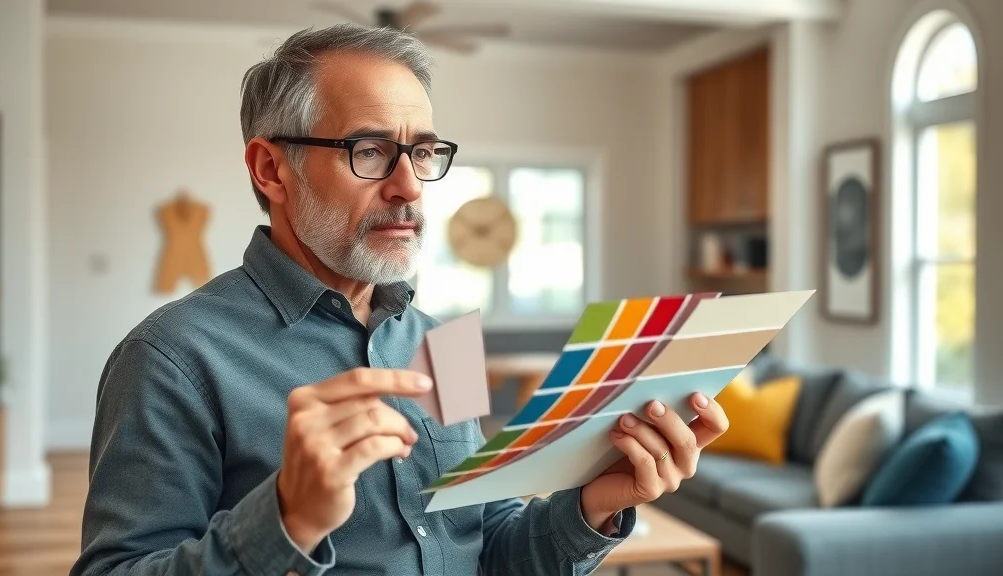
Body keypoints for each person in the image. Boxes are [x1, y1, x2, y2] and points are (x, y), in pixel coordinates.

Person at [71, 23, 729, 576]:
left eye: (422, 152)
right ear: (272, 169)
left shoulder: (446, 342)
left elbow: (486, 540)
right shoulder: (170, 358)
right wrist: (285, 522)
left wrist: (590, 506)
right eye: (370, 150)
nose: (409, 187)